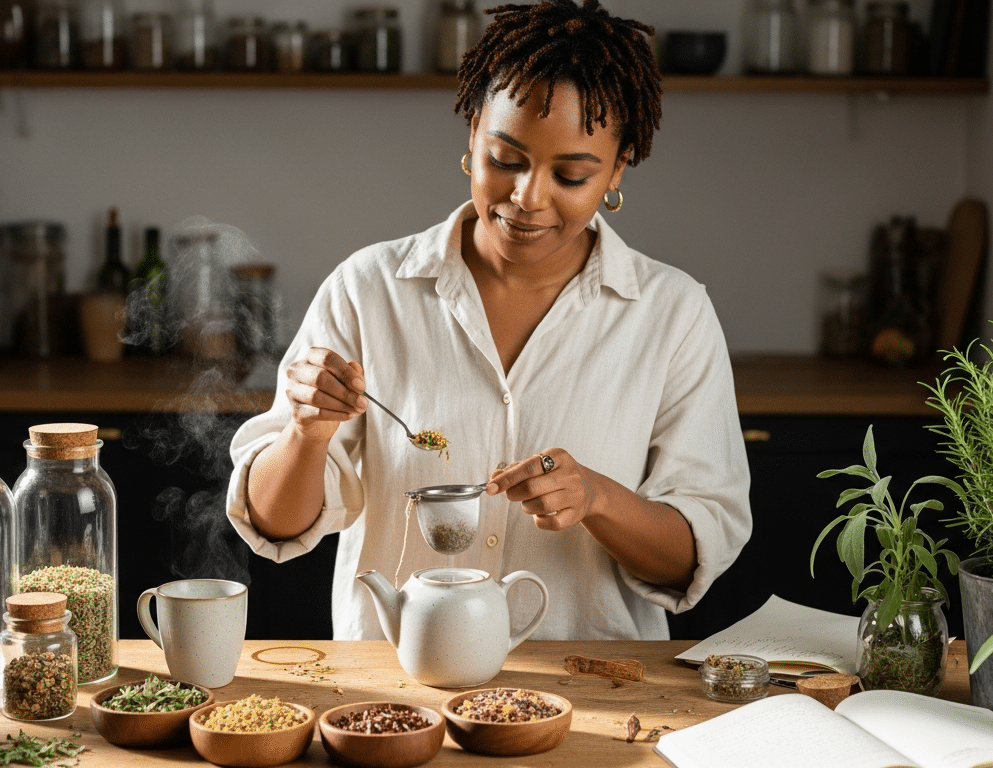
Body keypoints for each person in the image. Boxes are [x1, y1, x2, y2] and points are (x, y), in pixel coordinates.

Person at [226, 0, 751, 641]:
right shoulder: (368, 290)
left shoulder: (673, 313)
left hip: (591, 681)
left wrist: (597, 498)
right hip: (400, 684)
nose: (528, 197)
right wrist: (307, 434)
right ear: (473, 134)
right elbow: (273, 524)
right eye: (505, 159)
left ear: (617, 169)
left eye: (571, 175)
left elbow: (692, 559)